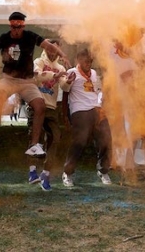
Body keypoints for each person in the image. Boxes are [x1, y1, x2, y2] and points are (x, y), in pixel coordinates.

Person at [0, 11, 69, 164]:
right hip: (8, 80)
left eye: (19, 26)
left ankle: (34, 145)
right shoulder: (4, 38)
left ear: (23, 26)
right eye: (13, 26)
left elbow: (49, 46)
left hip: (27, 81)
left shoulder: (30, 36)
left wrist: (63, 55)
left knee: (40, 105)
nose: (16, 30)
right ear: (10, 25)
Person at [60, 49, 113, 187]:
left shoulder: (94, 73)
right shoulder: (72, 72)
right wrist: (65, 114)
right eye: (86, 61)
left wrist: (101, 102)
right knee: (80, 141)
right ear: (78, 60)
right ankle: (67, 172)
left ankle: (103, 170)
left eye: (90, 61)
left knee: (106, 138)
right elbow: (65, 90)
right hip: (80, 110)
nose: (89, 64)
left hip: (96, 108)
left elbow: (98, 90)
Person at [27, 39, 68, 191]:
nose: (52, 52)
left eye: (56, 49)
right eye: (51, 48)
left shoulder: (61, 67)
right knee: (34, 138)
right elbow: (37, 76)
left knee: (55, 138)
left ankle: (45, 173)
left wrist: (68, 80)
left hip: (51, 107)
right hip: (37, 104)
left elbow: (64, 85)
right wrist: (56, 76)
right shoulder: (38, 61)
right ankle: (32, 171)